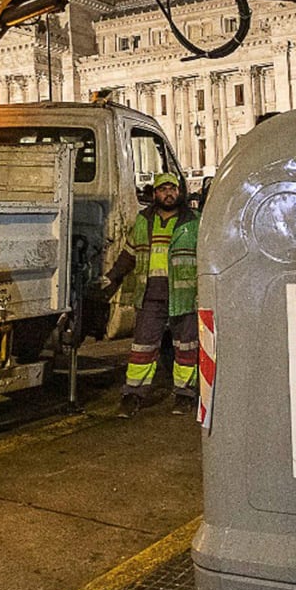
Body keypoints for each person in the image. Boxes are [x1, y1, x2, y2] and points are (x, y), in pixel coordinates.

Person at [99, 172, 200, 415]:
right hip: (150, 296)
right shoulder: (143, 220)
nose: (168, 194)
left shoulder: (194, 221)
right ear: (154, 194)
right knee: (142, 348)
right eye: (163, 189)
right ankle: (132, 395)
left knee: (186, 348)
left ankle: (185, 395)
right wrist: (113, 278)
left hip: (184, 297)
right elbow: (129, 254)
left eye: (172, 189)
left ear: (179, 192)